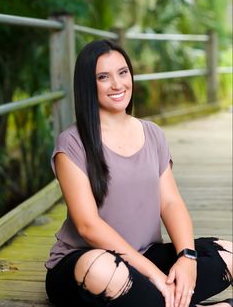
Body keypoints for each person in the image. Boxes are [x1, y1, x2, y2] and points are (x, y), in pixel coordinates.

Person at [45, 39, 232, 307]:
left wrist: (186, 258)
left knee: (228, 254)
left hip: (147, 255)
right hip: (88, 263)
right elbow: (88, 225)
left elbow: (170, 202)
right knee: (101, 269)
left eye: (123, 73)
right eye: (103, 77)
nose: (118, 84)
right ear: (88, 84)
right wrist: (153, 273)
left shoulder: (152, 133)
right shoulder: (72, 143)